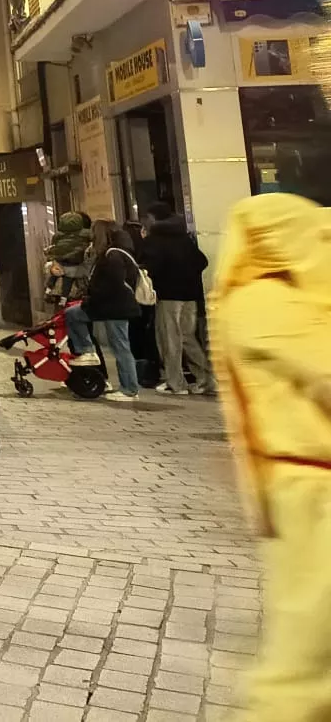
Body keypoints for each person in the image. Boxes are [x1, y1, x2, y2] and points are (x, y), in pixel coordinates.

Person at [210, 190, 331, 720]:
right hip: (310, 486)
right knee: (305, 643)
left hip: (303, 480)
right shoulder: (265, 301)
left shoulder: (278, 298)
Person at [65, 218, 144, 401]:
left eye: (94, 231)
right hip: (111, 307)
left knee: (121, 347)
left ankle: (129, 389)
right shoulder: (117, 252)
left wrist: (91, 298)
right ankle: (87, 350)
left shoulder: (113, 255)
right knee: (73, 314)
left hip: (113, 308)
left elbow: (112, 286)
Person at [141, 205, 213, 395]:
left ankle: (176, 383)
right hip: (190, 295)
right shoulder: (184, 238)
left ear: (154, 219)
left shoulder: (154, 240)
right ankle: (205, 380)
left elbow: (150, 267)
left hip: (169, 296)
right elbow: (202, 261)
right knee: (188, 337)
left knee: (170, 338)